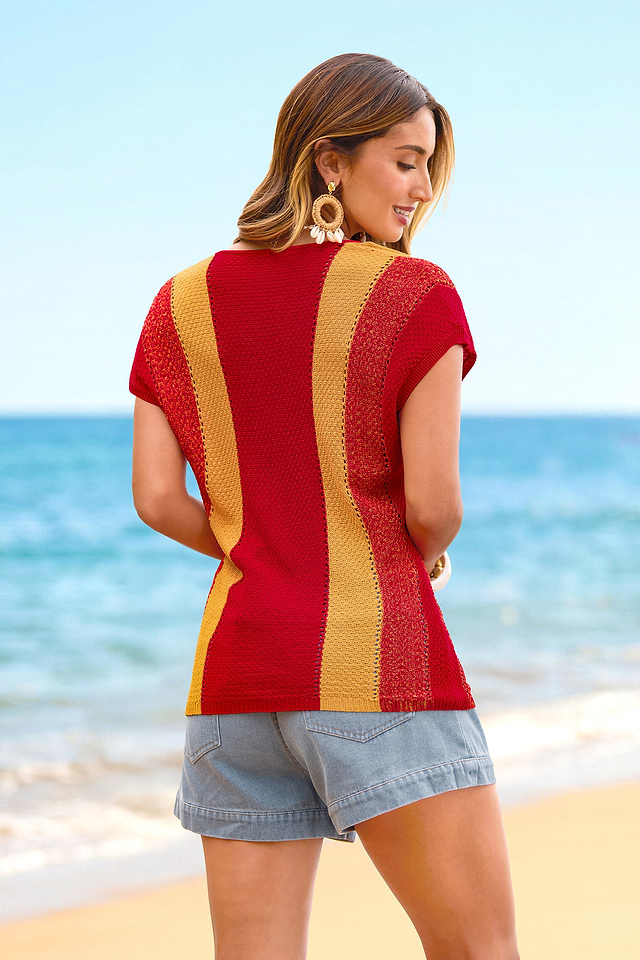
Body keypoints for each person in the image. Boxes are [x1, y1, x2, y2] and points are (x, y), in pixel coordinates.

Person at [129, 52, 520, 960]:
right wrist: (416, 551)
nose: (421, 188)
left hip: (233, 681)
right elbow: (434, 505)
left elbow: (156, 498)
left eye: (427, 165)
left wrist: (261, 545)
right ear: (328, 161)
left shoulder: (177, 303)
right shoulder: (415, 293)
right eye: (405, 161)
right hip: (375, 663)